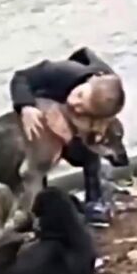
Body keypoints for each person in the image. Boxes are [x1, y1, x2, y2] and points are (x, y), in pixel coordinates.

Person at [9, 47, 125, 225]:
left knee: (90, 152)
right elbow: (21, 77)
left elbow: (103, 118)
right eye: (80, 96)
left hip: (83, 123)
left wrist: (95, 130)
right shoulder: (64, 72)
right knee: (42, 155)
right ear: (90, 81)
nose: (74, 102)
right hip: (46, 103)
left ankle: (95, 200)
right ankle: (41, 204)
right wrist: (25, 106)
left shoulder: (107, 100)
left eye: (81, 108)